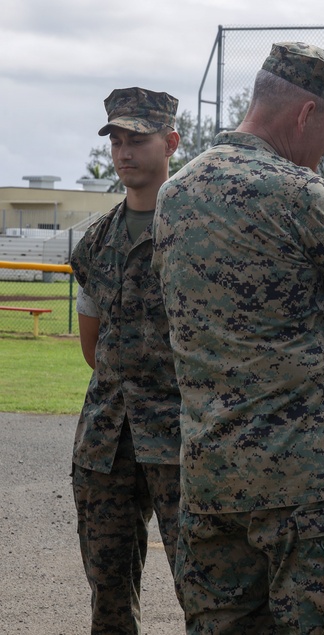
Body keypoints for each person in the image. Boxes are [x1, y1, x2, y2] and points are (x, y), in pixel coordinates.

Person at [151, 42, 324, 634]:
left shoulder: (174, 195)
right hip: (308, 483)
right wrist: (323, 314)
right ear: (307, 114)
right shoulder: (305, 196)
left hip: (211, 477)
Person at [70, 87, 183, 634]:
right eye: (116, 139)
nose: (124, 150)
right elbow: (93, 347)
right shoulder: (95, 242)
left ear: (171, 142)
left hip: (185, 437)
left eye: (137, 138)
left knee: (206, 586)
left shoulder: (200, 233)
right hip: (106, 439)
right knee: (108, 588)